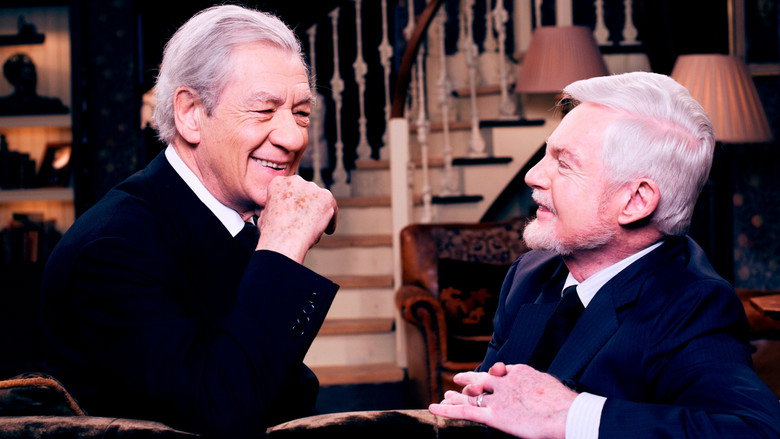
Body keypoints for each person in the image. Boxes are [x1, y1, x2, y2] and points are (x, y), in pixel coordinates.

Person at [40, 5, 338, 439]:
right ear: (191, 113)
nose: (294, 138)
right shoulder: (111, 249)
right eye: (263, 110)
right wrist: (282, 248)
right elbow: (222, 418)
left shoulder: (229, 222)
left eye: (301, 113)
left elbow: (290, 394)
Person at [428, 72, 780, 438]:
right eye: (545, 155)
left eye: (564, 163)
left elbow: (757, 430)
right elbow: (492, 402)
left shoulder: (692, 304)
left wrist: (571, 415)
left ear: (635, 201)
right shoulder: (530, 273)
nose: (533, 175)